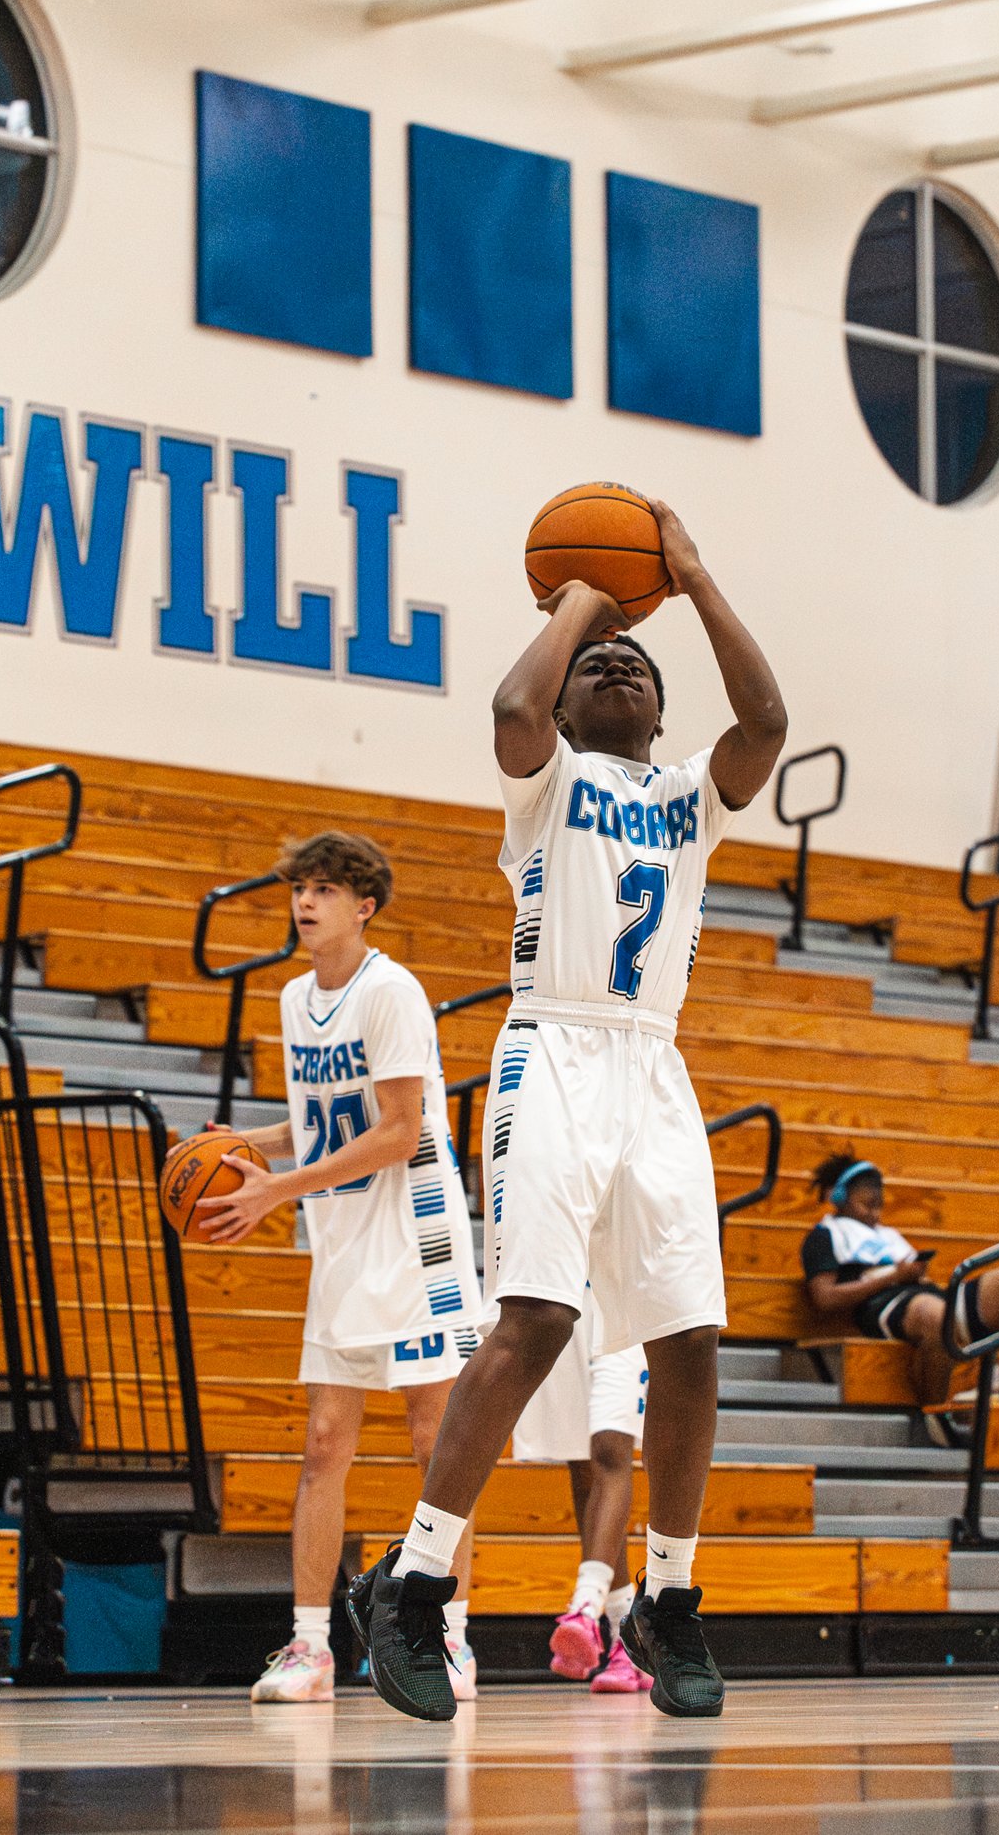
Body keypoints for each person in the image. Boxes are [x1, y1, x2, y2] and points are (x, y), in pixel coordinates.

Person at [347, 499, 787, 1722]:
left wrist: (690, 579)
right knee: (537, 1315)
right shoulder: (547, 784)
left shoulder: (692, 795)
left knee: (689, 1339)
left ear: (662, 711)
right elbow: (510, 706)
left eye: (634, 663)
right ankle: (415, 1582)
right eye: (595, 663)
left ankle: (669, 1595)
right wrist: (588, 596)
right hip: (551, 1047)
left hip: (654, 1067)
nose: (615, 666)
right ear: (573, 704)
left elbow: (766, 721)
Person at [199, 831, 484, 1704]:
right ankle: (310, 1647)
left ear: (364, 906)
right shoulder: (295, 997)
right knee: (325, 1442)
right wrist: (247, 1144)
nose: (305, 902)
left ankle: (449, 1635)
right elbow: (324, 1121)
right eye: (300, 888)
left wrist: (275, 1189)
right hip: (343, 1236)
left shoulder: (391, 992)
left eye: (324, 889)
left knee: (437, 1442)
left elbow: (398, 1131)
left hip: (417, 1235)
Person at [800, 1154, 999, 1443]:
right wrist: (894, 1277)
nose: (875, 1214)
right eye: (866, 1205)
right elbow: (824, 1298)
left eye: (879, 1206)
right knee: (936, 1317)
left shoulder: (887, 1234)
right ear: (838, 1198)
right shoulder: (825, 1236)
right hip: (883, 1303)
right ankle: (935, 1415)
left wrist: (915, 1275)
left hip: (928, 1296)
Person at [511, 1287, 652, 1694]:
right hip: (567, 1295)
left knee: (610, 1448)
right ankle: (629, 1639)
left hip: (626, 1292)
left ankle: (585, 1607)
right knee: (583, 1463)